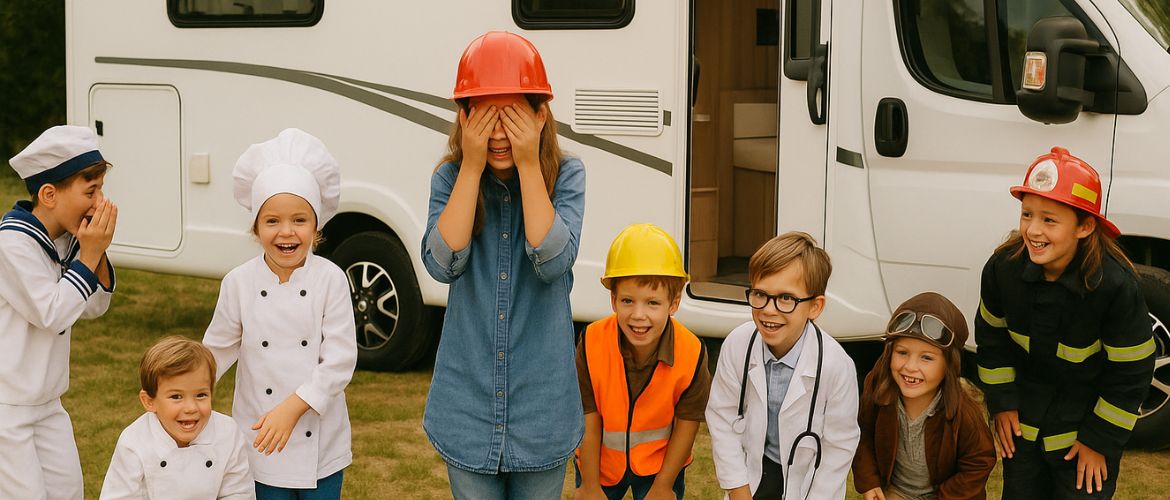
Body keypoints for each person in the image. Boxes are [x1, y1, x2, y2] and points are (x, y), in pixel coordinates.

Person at [421, 31, 586, 499]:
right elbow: (441, 262)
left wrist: (530, 165)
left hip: (542, 410)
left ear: (540, 116)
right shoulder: (450, 177)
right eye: (484, 118)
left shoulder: (568, 175)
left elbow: (553, 259)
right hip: (467, 405)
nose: (497, 134)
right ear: (464, 118)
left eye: (511, 118)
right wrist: (470, 169)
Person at [975, 147, 1154, 500]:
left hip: (1083, 438)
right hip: (1025, 431)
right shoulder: (1002, 270)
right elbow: (992, 341)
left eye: (1049, 220)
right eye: (1027, 214)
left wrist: (1099, 440)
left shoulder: (1115, 287)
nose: (1033, 230)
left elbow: (1131, 373)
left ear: (1085, 226)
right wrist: (1002, 401)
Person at [203, 128, 358, 499]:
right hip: (261, 436)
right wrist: (178, 391)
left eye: (299, 220)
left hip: (321, 442)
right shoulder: (238, 283)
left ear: (317, 226)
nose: (286, 232)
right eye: (272, 220)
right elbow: (214, 352)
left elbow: (339, 361)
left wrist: (292, 408)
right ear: (255, 227)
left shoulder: (331, 279)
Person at [0, 125, 118, 499]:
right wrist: (88, 255)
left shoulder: (67, 239)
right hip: (8, 409)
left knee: (68, 491)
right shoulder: (12, 242)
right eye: (90, 191)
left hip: (49, 402)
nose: (99, 202)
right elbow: (52, 313)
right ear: (49, 194)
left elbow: (94, 306)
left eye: (100, 189)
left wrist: (93, 253)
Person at [706, 231, 859, 499]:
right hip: (752, 473)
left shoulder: (836, 366)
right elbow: (722, 417)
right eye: (760, 294)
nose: (768, 309)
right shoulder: (738, 345)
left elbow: (838, 449)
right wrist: (739, 490)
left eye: (786, 298)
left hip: (808, 483)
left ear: (815, 307)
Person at [574, 224, 712, 500]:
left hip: (660, 468)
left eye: (652, 303)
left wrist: (663, 486)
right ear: (613, 300)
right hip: (599, 465)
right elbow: (587, 417)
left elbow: (687, 425)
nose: (638, 315)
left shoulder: (692, 352)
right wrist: (589, 485)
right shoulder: (591, 341)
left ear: (673, 304)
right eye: (627, 300)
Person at [852, 292, 996, 500]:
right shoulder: (877, 390)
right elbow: (862, 433)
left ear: (949, 365)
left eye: (926, 358)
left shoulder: (964, 412)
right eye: (902, 353)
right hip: (897, 492)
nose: (910, 367)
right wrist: (870, 481)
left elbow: (980, 461)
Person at [100, 336, 254, 499]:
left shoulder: (227, 432)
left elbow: (238, 492)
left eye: (201, 395)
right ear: (149, 401)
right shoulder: (134, 442)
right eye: (176, 397)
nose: (190, 408)